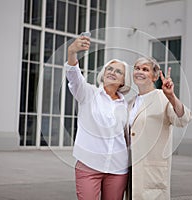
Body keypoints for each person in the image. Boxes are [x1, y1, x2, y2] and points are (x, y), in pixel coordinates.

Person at [65, 35, 132, 200]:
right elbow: (74, 77)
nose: (112, 72)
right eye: (109, 69)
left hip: (118, 168)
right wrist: (72, 52)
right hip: (88, 165)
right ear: (103, 73)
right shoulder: (88, 93)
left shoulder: (126, 105)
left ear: (123, 81)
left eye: (118, 71)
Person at [127, 57, 192, 199]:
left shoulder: (163, 98)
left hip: (151, 170)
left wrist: (172, 97)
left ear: (155, 76)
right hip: (130, 168)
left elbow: (183, 119)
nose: (139, 72)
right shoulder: (130, 102)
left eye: (145, 69)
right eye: (137, 68)